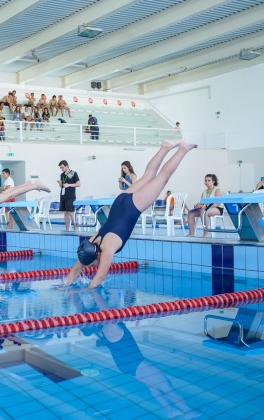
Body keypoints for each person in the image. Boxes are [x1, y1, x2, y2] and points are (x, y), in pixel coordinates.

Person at [66, 140, 198, 288]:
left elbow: (98, 279)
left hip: (131, 207)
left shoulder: (107, 249)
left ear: (97, 255)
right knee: (148, 175)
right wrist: (64, 287)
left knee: (162, 178)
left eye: (92, 264)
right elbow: (76, 269)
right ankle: (165, 146)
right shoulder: (91, 242)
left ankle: (183, 149)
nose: (93, 267)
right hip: (119, 202)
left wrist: (80, 292)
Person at [74, 289, 199, 419]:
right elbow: (104, 308)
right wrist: (95, 292)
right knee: (166, 386)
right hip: (136, 362)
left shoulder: (99, 331)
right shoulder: (111, 326)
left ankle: (170, 410)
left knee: (152, 385)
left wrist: (75, 295)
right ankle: (188, 411)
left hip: (126, 366)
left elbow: (81, 309)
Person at [58, 160, 81, 231]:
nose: (62, 169)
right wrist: (60, 183)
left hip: (70, 195)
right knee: (65, 213)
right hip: (63, 195)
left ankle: (76, 226)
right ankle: (67, 228)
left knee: (71, 212)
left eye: (62, 167)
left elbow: (78, 184)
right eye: (60, 168)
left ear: (66, 166)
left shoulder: (73, 173)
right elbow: (63, 186)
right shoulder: (62, 175)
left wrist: (69, 185)